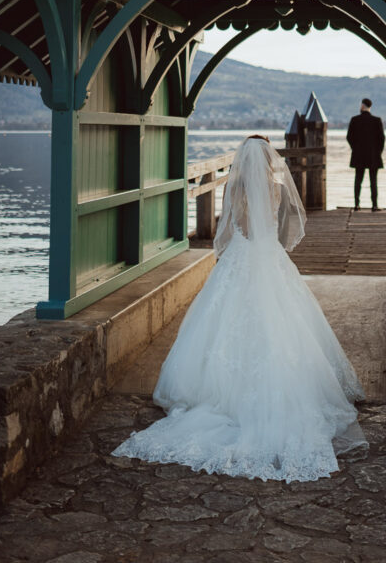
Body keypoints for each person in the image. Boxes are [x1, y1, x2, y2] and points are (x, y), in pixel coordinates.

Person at [112, 135, 366, 482]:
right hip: (268, 257)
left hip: (242, 258)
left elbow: (230, 232)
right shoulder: (275, 188)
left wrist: (229, 254)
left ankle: (216, 397)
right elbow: (280, 228)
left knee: (220, 324)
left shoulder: (238, 190)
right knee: (285, 324)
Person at [347, 98, 385, 211]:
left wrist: (355, 149)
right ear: (370, 107)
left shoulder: (354, 120)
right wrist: (378, 152)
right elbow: (381, 139)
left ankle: (357, 205)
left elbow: (349, 137)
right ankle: (374, 205)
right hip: (373, 156)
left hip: (359, 155)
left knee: (358, 180)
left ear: (362, 106)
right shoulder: (377, 120)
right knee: (373, 181)